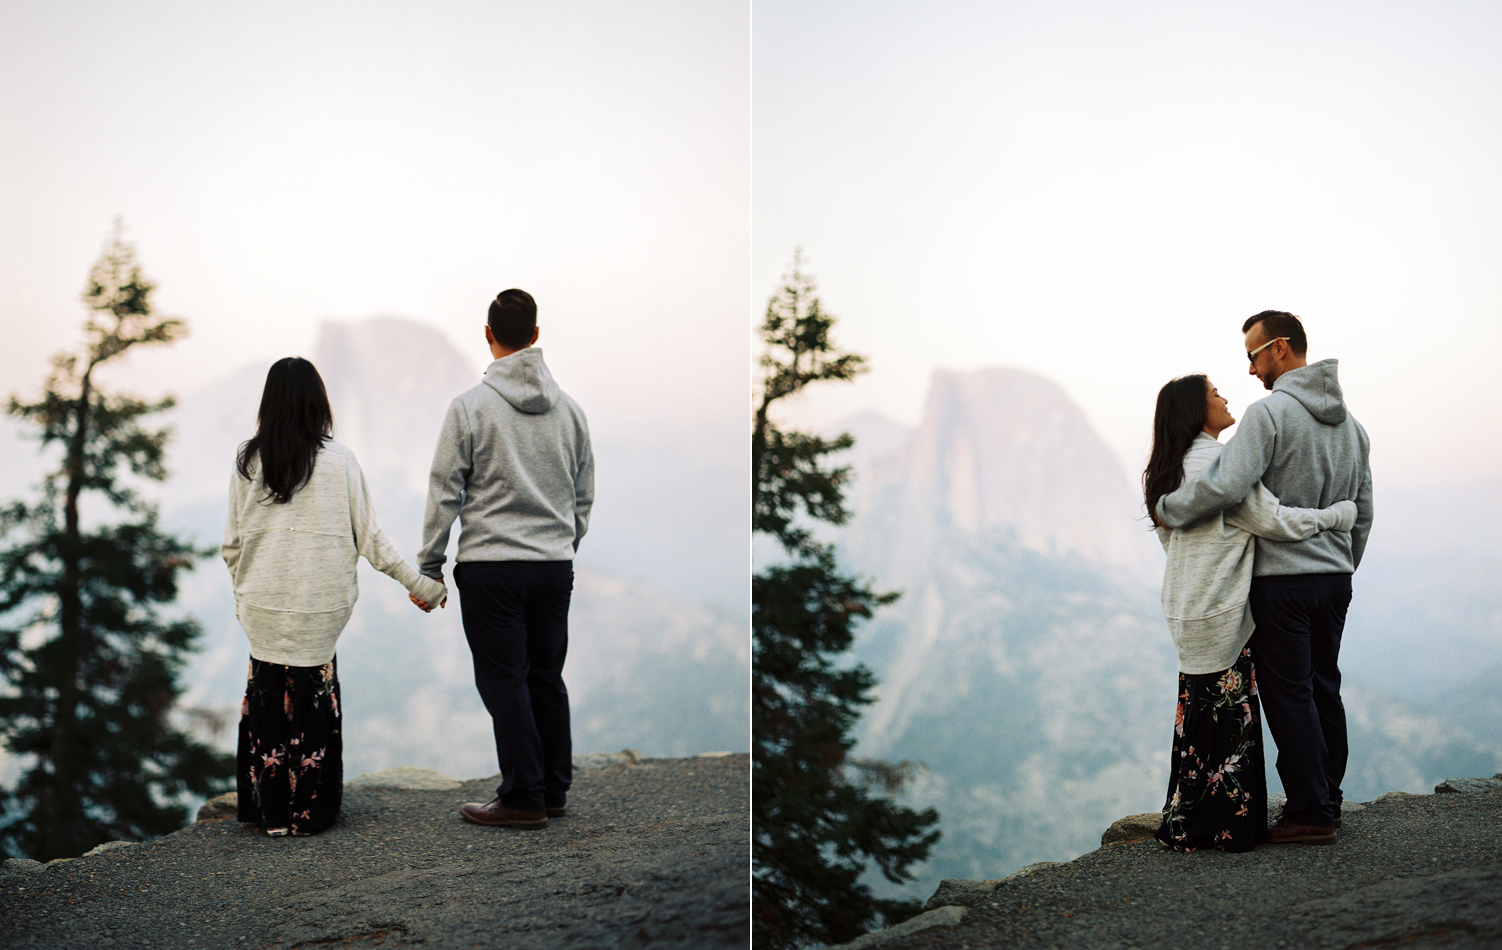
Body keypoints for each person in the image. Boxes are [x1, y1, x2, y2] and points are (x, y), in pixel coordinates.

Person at [1156, 311, 1373, 845]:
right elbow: (1362, 510)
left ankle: (1310, 813)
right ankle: (1329, 800)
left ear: (1279, 349)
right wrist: (1342, 561)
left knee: (1289, 695)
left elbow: (1227, 487)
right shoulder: (1354, 427)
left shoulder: (1268, 415)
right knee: (1326, 687)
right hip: (1335, 576)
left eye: (1253, 356)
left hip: (1282, 580)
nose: (1250, 371)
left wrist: (1169, 506)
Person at [222, 357, 446, 837]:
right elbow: (372, 540)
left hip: (260, 610)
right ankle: (310, 813)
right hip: (319, 612)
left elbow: (231, 547)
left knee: (266, 698)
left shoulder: (247, 461)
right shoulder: (339, 461)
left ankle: (271, 814)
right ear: (317, 403)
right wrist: (421, 584)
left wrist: (250, 592)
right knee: (313, 700)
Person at [417, 288, 594, 830]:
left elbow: (445, 489)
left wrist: (430, 563)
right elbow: (582, 494)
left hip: (491, 568)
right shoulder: (571, 412)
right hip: (552, 566)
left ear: (489, 336)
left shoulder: (469, 407)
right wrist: (564, 545)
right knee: (546, 676)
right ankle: (553, 789)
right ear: (536, 336)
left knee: (505, 681)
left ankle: (522, 797)